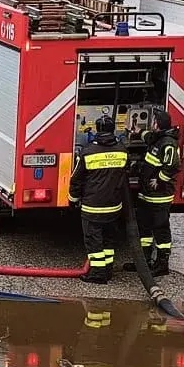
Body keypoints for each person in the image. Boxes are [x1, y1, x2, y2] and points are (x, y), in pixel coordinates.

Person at [67, 113, 128, 284]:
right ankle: (108, 270)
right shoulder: (122, 151)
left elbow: (76, 180)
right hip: (114, 206)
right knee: (108, 239)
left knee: (94, 241)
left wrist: (72, 200)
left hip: (93, 206)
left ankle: (98, 274)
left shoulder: (88, 152)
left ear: (98, 130)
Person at [135, 107, 181, 275]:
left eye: (154, 121)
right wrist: (138, 131)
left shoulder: (168, 143)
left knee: (160, 229)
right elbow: (148, 137)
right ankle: (144, 262)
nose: (152, 124)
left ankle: (162, 265)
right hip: (147, 195)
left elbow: (173, 165)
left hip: (159, 197)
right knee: (144, 229)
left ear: (159, 124)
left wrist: (159, 180)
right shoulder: (157, 138)